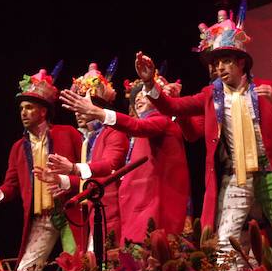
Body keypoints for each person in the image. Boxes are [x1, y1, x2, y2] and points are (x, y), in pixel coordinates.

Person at [80, 7, 272, 270]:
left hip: (268, 173)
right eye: (215, 63)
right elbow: (173, 108)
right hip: (235, 176)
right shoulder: (211, 95)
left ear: (242, 62)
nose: (219, 68)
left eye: (226, 61)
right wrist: (150, 84)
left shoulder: (265, 88)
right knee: (226, 241)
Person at [0, 67, 84, 271]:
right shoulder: (19, 148)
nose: (23, 113)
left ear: (43, 111)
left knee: (79, 270)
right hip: (42, 218)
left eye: (29, 108)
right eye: (21, 109)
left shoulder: (68, 134)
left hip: (70, 212)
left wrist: (69, 184)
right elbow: (11, 186)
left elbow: (85, 169)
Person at [60, 70, 189, 241]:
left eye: (144, 93)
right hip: (133, 210)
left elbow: (112, 163)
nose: (137, 98)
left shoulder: (161, 120)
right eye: (136, 96)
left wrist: (99, 113)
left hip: (152, 210)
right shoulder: (125, 134)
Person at [47, 62, 128, 249]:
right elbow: (92, 180)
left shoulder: (114, 132)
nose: (77, 113)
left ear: (95, 108)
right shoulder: (89, 139)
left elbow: (109, 165)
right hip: (96, 213)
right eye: (75, 109)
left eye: (81, 107)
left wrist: (74, 168)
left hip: (113, 212)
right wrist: (62, 180)